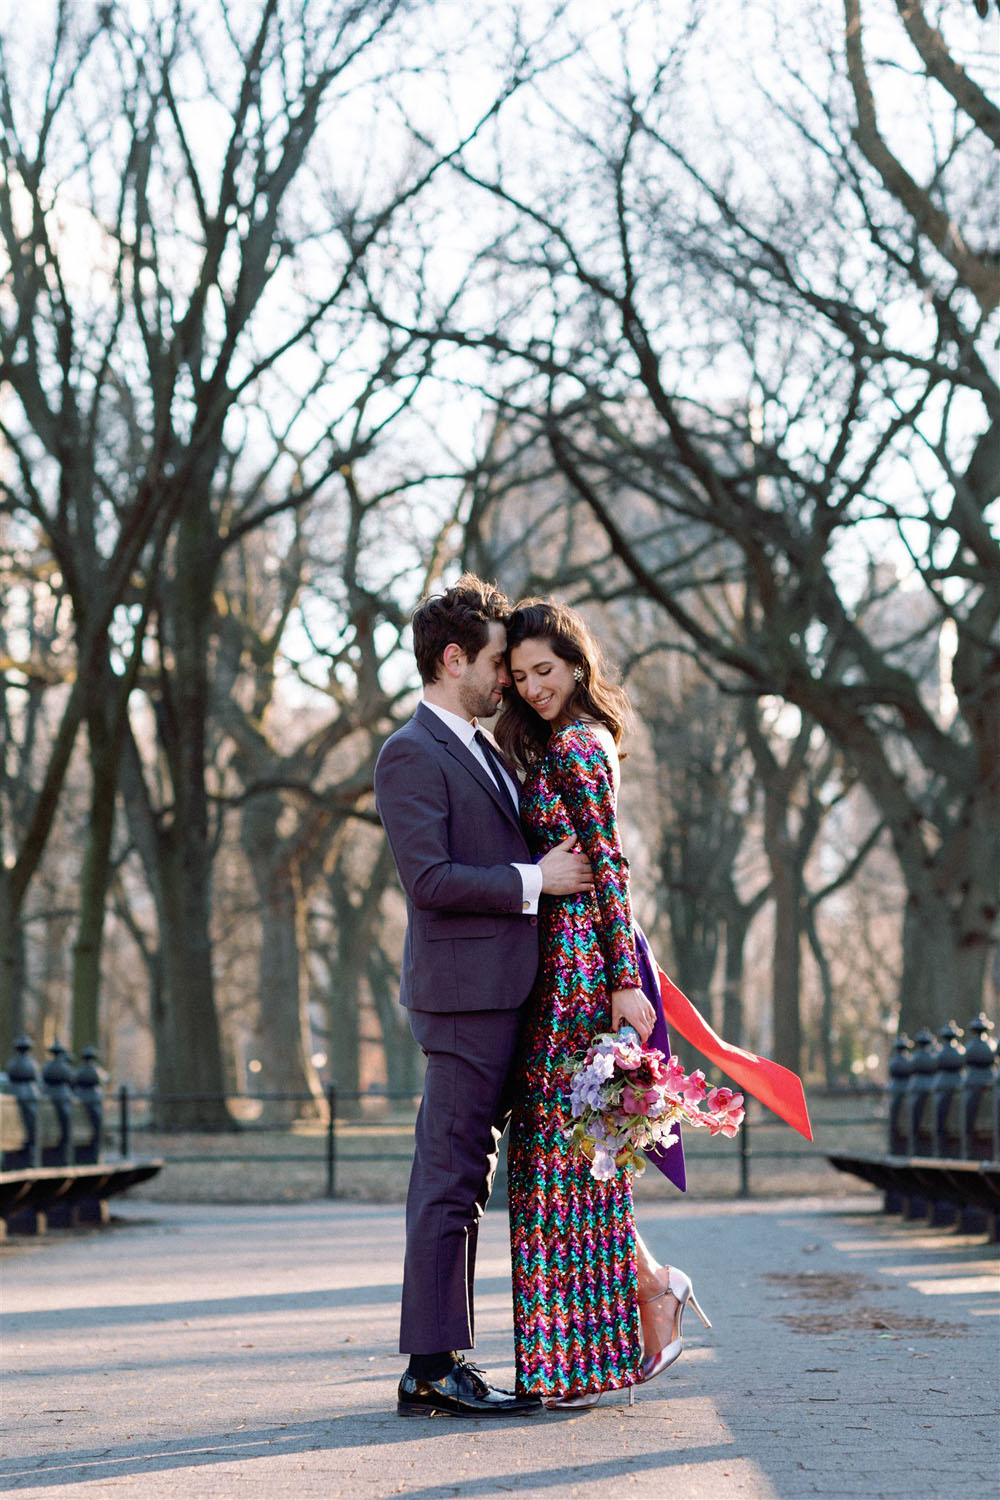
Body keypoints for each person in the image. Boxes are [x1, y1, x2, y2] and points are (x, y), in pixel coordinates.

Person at [373, 575, 597, 1419]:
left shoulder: (484, 747)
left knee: (470, 1176)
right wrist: (534, 879)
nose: (509, 677)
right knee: (450, 1178)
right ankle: (432, 1368)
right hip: (464, 1002)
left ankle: (444, 1361)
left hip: (506, 996)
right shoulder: (410, 752)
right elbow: (428, 880)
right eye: (499, 662)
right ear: (453, 660)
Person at [495, 598, 709, 1410]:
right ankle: (637, 1302)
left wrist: (624, 980)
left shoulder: (581, 745)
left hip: (583, 972)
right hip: (556, 967)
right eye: (520, 676)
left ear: (578, 665)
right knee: (560, 1162)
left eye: (545, 670)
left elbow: (608, 863)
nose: (533, 687)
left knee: (563, 1162)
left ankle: (603, 1339)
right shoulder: (557, 742)